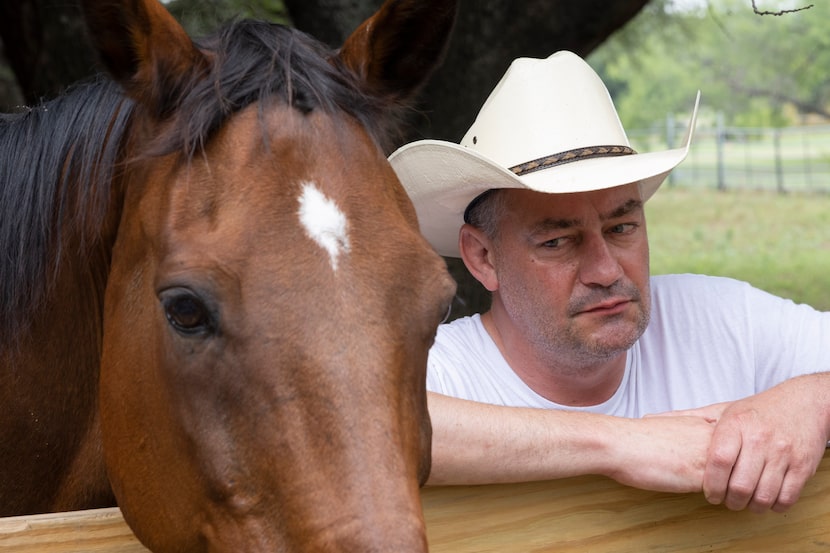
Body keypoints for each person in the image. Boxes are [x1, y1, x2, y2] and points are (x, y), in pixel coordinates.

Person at [389, 51, 830, 514]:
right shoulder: (440, 371)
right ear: (483, 257)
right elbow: (351, 427)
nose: (606, 271)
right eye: (558, 241)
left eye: (622, 229)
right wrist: (620, 445)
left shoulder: (719, 319)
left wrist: (812, 400)